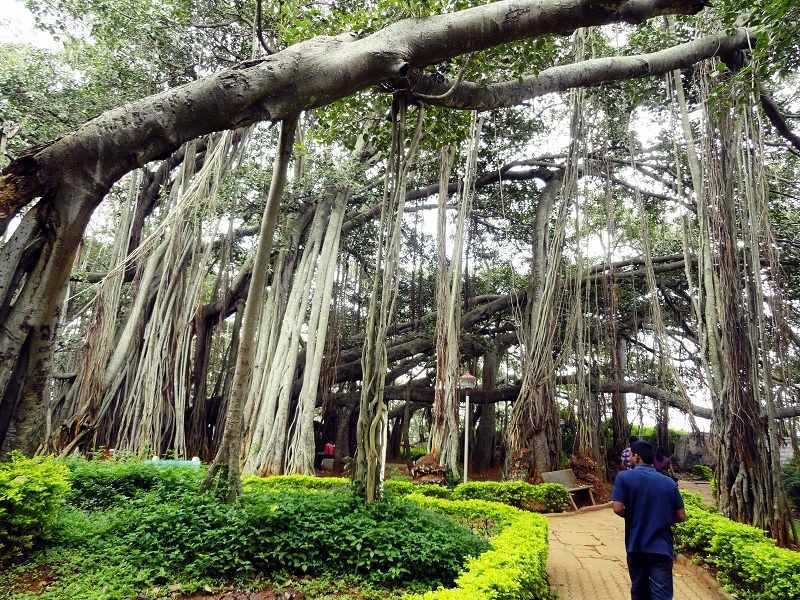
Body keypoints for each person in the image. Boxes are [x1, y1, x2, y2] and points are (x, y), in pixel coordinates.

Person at [613, 440, 686, 600]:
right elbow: (681, 516)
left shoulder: (624, 478)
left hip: (636, 546)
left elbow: (618, 508)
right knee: (662, 595)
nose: (630, 458)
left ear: (636, 457)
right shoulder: (669, 483)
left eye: (631, 455)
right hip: (662, 547)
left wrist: (636, 516)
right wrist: (661, 518)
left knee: (639, 592)